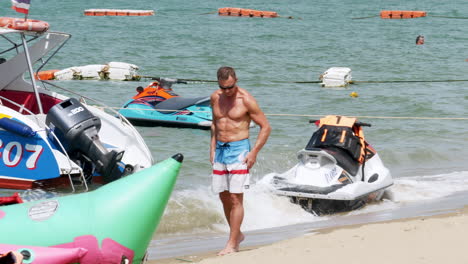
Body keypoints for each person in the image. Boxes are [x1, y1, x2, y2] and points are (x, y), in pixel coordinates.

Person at [210, 66, 271, 256]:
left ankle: (232, 243)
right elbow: (215, 124)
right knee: (223, 195)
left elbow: (265, 127)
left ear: (236, 79)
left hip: (239, 151)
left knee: (236, 198)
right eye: (224, 87)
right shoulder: (215, 97)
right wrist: (211, 148)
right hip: (220, 150)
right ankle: (237, 235)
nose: (227, 91)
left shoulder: (246, 100)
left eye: (230, 87)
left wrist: (253, 153)